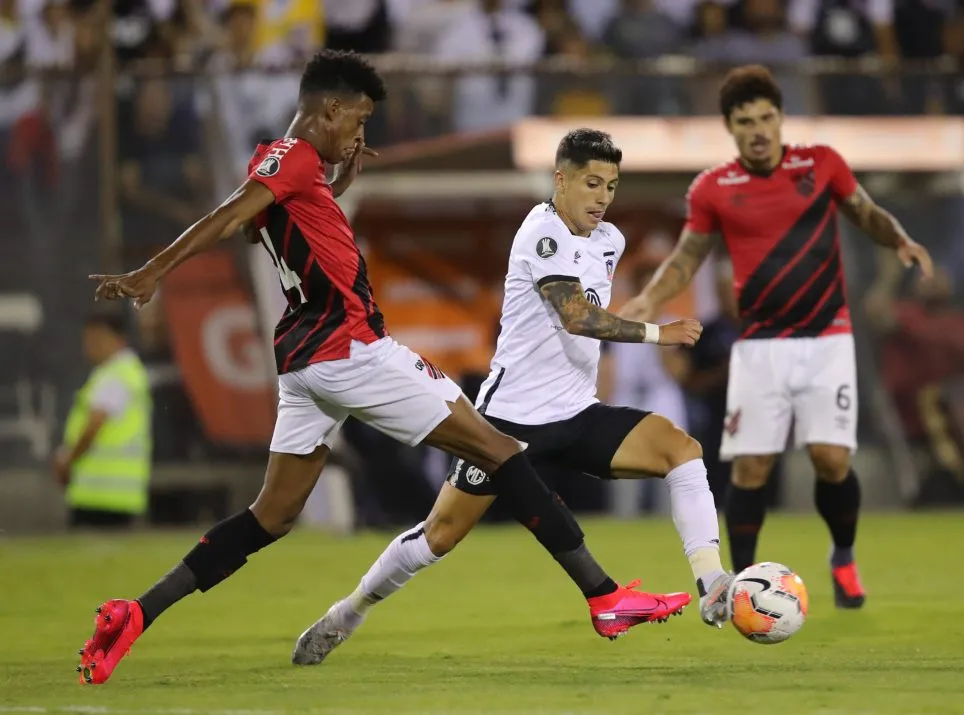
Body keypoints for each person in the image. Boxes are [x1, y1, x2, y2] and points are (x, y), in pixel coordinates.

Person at [77, 51, 690, 686]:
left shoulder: (285, 164)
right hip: (354, 348)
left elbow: (272, 220)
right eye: (358, 120)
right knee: (503, 451)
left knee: (272, 515)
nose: (360, 134)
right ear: (330, 109)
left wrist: (335, 186)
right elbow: (229, 215)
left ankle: (136, 614)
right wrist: (153, 271)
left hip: (304, 361)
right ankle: (604, 596)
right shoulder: (291, 162)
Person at [292, 129, 732, 667]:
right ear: (561, 179)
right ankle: (348, 612)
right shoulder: (540, 231)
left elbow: (589, 326)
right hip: (508, 425)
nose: (602, 198)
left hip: (576, 413)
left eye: (611, 187)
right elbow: (575, 316)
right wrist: (657, 333)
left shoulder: (609, 241)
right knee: (439, 537)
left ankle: (713, 582)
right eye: (592, 184)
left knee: (680, 449)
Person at [620, 65, 934, 609]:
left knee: (832, 460)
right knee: (751, 467)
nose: (759, 129)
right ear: (730, 127)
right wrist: (650, 298)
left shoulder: (822, 164)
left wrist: (900, 240)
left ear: (781, 118)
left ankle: (843, 557)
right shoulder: (714, 188)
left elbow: (865, 213)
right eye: (746, 121)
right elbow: (687, 256)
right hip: (761, 346)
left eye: (767, 117)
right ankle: (745, 584)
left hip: (827, 339)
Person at [55, 312, 152, 530]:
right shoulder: (123, 372)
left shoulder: (115, 376)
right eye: (87, 339)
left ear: (118, 340)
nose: (90, 346)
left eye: (97, 339)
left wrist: (67, 460)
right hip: (116, 493)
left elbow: (93, 426)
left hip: (100, 495)